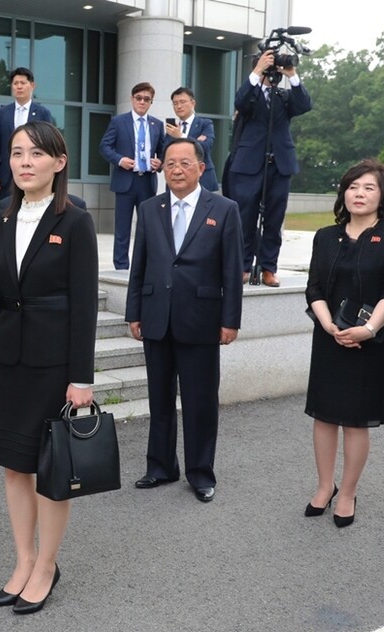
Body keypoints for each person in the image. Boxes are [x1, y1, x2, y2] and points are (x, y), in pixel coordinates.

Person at [0, 121, 98, 614]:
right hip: (8, 362)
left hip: (53, 365)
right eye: (17, 153)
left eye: (36, 154)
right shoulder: (0, 220)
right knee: (14, 466)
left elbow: (84, 305)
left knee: (49, 471)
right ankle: (22, 560)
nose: (25, 162)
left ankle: (46, 565)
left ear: (58, 163)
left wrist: (81, 378)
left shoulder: (75, 221)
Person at [126, 137, 243, 503]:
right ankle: (160, 466)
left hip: (202, 319)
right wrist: (134, 312)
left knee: (200, 400)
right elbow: (139, 265)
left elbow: (232, 269)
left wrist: (230, 320)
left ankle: (200, 472)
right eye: (170, 163)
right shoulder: (148, 208)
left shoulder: (224, 209)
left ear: (201, 168)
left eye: (185, 163)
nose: (177, 169)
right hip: (156, 316)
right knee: (159, 397)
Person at [303, 160, 384, 528]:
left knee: (355, 421)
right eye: (352, 187)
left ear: (382, 196)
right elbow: (313, 287)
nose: (359, 193)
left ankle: (347, 492)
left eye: (368, 187)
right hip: (330, 336)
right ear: (343, 193)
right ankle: (323, 486)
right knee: (324, 415)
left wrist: (368, 329)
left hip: (370, 340)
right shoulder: (325, 236)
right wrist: (329, 324)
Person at [226, 50, 312, 287]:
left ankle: (268, 268)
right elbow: (240, 101)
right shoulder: (250, 93)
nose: (272, 73)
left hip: (280, 163)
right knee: (245, 216)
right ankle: (243, 266)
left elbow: (305, 105)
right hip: (249, 164)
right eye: (269, 68)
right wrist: (257, 71)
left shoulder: (284, 97)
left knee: (274, 219)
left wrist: (291, 74)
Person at [99, 81, 165, 270]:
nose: (142, 102)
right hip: (125, 181)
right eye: (139, 98)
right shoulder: (119, 122)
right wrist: (120, 160)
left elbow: (162, 151)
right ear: (132, 99)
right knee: (122, 228)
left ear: (151, 102)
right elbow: (104, 146)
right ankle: (121, 266)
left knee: (148, 227)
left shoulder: (157, 125)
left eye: (146, 99)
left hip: (146, 181)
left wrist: (159, 162)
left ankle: (144, 264)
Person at [0, 68, 54, 200]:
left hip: (34, 172)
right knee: (7, 212)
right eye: (15, 83)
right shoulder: (3, 112)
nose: (19, 87)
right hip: (7, 175)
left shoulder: (42, 113)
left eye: (23, 83)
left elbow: (49, 145)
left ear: (32, 85)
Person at [165, 87, 218, 192]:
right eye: (175, 103)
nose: (179, 106)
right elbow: (165, 153)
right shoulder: (172, 129)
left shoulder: (205, 124)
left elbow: (205, 147)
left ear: (193, 103)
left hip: (202, 180)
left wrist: (181, 136)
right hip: (176, 182)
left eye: (182, 102)